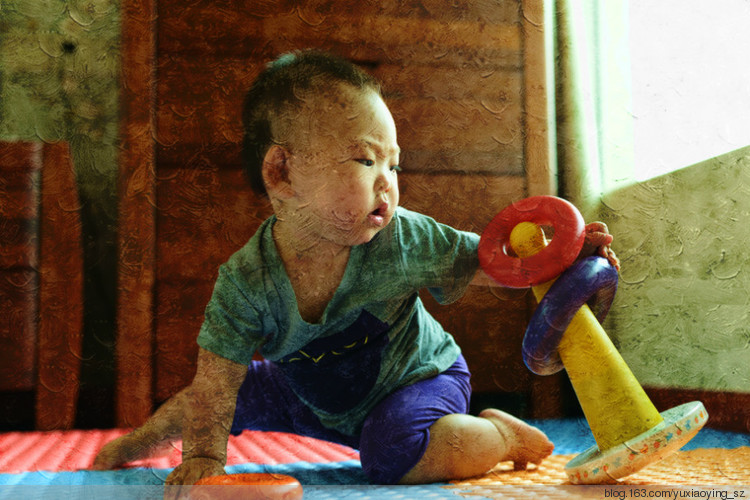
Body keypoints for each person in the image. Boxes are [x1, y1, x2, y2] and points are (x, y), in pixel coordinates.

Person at [93, 49, 619, 492]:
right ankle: (137, 443)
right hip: (310, 393)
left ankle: (501, 436)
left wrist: (568, 256)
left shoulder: (403, 236)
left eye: (394, 164)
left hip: (418, 381)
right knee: (223, 394)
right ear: (282, 172)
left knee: (389, 455)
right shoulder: (244, 282)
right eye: (367, 161)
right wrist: (205, 458)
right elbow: (216, 380)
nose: (388, 181)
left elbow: (498, 263)